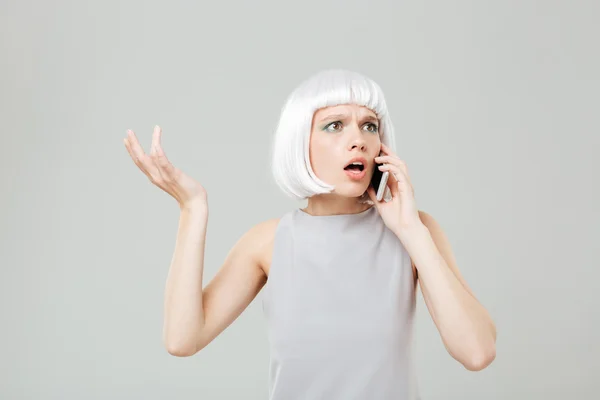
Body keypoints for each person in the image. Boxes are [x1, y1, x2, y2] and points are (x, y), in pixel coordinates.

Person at [123, 69, 497, 399]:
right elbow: (182, 339)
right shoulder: (267, 242)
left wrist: (410, 230)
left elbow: (477, 352)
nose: (360, 139)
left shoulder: (419, 231)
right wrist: (192, 208)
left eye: (370, 125)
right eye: (335, 125)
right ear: (300, 141)